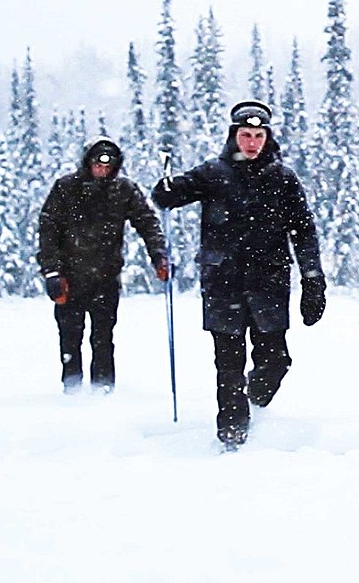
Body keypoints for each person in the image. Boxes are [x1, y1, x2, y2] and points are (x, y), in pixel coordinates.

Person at [152, 100, 326, 449]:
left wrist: (313, 279)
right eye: (245, 135)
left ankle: (253, 409)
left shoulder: (282, 178)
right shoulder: (214, 173)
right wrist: (166, 191)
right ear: (234, 136)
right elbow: (169, 195)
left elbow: (304, 231)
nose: (251, 142)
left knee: (276, 361)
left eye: (258, 135)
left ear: (267, 137)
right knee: (228, 365)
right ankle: (232, 433)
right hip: (223, 285)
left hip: (269, 284)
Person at [37, 136, 168, 394]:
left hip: (105, 278)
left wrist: (159, 254)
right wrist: (52, 271)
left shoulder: (124, 190)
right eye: (98, 163)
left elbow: (147, 222)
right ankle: (72, 390)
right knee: (70, 338)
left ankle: (103, 391)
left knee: (103, 338)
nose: (102, 169)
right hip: (69, 278)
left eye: (108, 165)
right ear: (88, 163)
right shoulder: (66, 188)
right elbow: (48, 231)